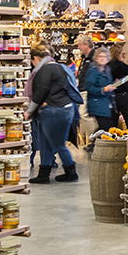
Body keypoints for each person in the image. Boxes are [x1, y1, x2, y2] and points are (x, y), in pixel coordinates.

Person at [26, 43, 80, 184]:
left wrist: (30, 110)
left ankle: (71, 171)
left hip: (55, 110)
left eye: (32, 61)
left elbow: (41, 91)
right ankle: (44, 173)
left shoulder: (46, 69)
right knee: (46, 142)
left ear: (36, 58)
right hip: (60, 108)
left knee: (57, 143)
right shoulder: (58, 67)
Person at [84, 47, 119, 134]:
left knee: (105, 128)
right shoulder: (93, 71)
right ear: (96, 57)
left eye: (105, 56)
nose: (102, 58)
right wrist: (103, 89)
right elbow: (89, 87)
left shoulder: (107, 70)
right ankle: (92, 146)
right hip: (97, 104)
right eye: (100, 56)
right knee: (104, 128)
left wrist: (113, 85)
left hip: (106, 103)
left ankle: (93, 145)